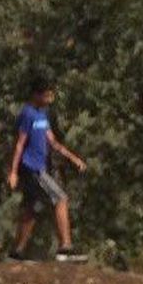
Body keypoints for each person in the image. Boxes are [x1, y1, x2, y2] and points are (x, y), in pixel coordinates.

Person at [8, 79, 88, 262]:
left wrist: (73, 158)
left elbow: (51, 141)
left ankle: (17, 251)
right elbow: (19, 144)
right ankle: (65, 248)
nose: (50, 98)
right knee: (60, 198)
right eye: (46, 94)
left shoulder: (42, 115)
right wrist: (13, 171)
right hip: (31, 168)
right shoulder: (27, 114)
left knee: (32, 208)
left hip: (40, 167)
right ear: (36, 95)